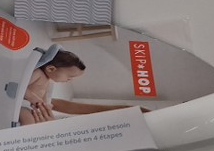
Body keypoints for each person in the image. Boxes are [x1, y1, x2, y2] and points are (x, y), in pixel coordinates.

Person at [19, 48, 148, 125]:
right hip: (25, 104)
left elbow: (45, 96)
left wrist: (46, 104)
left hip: (34, 106)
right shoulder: (38, 74)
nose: (69, 80)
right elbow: (20, 87)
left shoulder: (47, 80)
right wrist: (36, 100)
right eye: (69, 77)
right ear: (51, 68)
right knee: (28, 121)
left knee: (32, 121)